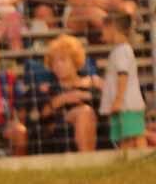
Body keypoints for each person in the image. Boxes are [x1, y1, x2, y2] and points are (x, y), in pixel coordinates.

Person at [31, 33, 101, 151]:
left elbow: (106, 105)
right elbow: (38, 116)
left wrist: (87, 94)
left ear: (75, 60)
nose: (57, 66)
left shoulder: (92, 82)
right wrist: (63, 99)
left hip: (96, 128)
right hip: (59, 135)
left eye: (62, 60)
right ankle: (86, 156)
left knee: (86, 113)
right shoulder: (48, 88)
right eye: (54, 62)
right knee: (84, 112)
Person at [99, 11, 146, 148]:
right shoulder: (118, 50)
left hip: (127, 104)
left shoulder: (123, 51)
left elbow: (123, 75)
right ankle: (127, 158)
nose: (102, 33)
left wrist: (118, 100)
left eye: (104, 29)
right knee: (125, 137)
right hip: (122, 105)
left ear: (112, 28)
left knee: (133, 136)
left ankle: (140, 157)